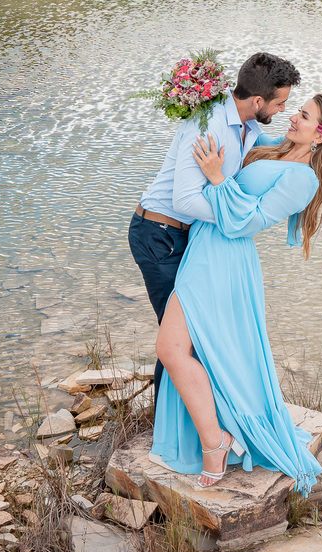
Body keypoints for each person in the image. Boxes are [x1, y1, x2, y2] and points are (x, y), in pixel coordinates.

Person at [150, 93, 322, 493]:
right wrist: (203, 105)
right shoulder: (271, 151)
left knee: (172, 349)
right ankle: (211, 438)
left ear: (321, 135)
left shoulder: (304, 181)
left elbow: (248, 222)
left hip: (225, 260)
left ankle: (216, 444)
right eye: (295, 110)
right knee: (195, 351)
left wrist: (215, 178)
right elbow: (234, 151)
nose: (293, 117)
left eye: (304, 115)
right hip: (204, 247)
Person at [129, 52, 301, 400]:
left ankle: (187, 419)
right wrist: (235, 217)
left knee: (194, 332)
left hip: (185, 235)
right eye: (281, 103)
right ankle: (165, 424)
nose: (283, 110)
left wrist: (310, 146)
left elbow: (275, 149)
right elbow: (186, 201)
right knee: (179, 339)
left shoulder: (248, 126)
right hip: (160, 235)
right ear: (257, 100)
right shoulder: (208, 128)